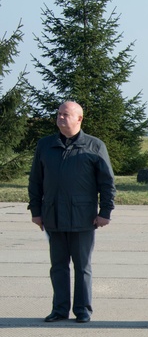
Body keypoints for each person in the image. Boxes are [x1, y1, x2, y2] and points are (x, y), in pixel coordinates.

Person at [28, 101, 116, 323]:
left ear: (79, 119)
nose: (61, 118)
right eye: (59, 114)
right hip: (53, 216)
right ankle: (59, 309)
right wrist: (36, 211)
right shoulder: (45, 145)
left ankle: (82, 309)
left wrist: (105, 212)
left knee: (82, 266)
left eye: (66, 114)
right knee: (58, 266)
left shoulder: (94, 146)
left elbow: (107, 183)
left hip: (83, 217)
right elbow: (35, 181)